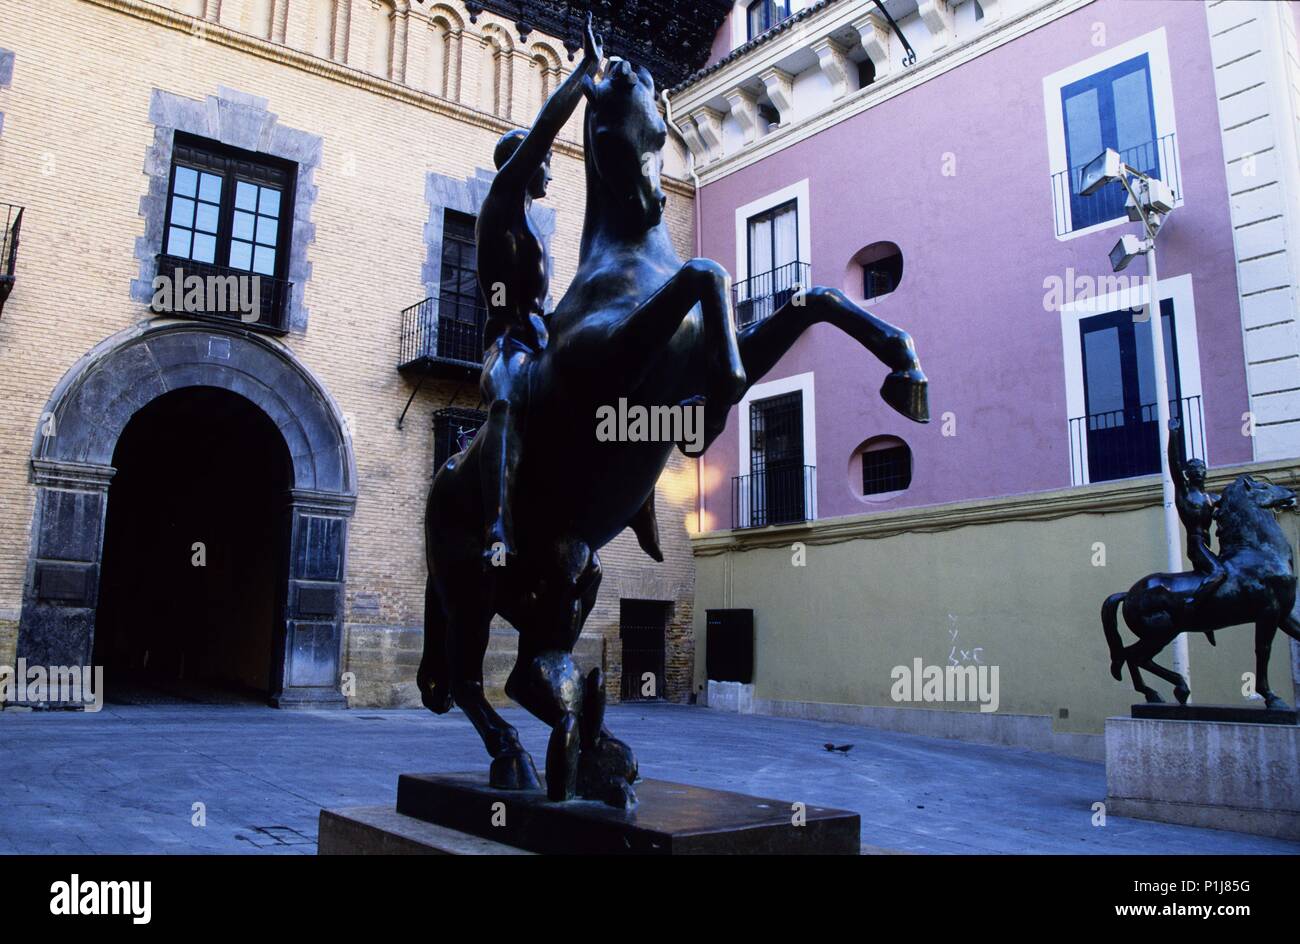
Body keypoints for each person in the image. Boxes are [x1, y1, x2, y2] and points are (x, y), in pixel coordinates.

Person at [475, 13, 663, 567]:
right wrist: (583, 72)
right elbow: (541, 134)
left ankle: (638, 500)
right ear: (519, 165)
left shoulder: (533, 223)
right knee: (507, 401)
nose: (551, 173)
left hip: (542, 335)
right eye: (545, 165)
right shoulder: (500, 206)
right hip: (507, 344)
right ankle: (496, 525)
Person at [1169, 417, 1226, 610]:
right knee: (1219, 572)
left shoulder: (1212, 497)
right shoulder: (1185, 494)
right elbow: (1174, 465)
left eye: (1202, 468)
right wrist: (1174, 435)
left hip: (1210, 544)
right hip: (1196, 544)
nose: (1199, 472)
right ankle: (1193, 605)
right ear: (1188, 474)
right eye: (1195, 469)